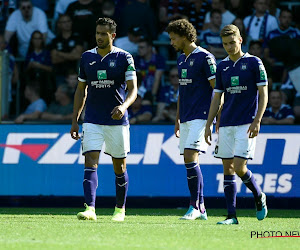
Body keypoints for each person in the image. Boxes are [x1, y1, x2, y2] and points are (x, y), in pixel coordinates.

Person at [70, 17, 137, 222]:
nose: (99, 37)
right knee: (90, 162)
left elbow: (133, 90)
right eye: (97, 33)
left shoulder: (125, 57)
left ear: (112, 35)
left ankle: (119, 209)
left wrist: (124, 107)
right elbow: (81, 90)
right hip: (92, 119)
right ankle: (90, 208)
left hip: (116, 120)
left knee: (120, 167)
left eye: (103, 34)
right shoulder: (86, 57)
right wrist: (75, 119)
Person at [204, 24, 268, 225]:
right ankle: (231, 216)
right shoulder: (222, 66)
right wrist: (209, 123)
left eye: (232, 42)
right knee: (227, 168)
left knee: (240, 167)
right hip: (226, 124)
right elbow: (217, 97)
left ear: (240, 40)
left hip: (246, 123)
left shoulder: (254, 63)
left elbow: (263, 93)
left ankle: (259, 195)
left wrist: (258, 120)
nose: (229, 47)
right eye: (225, 44)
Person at [166, 19, 216, 220]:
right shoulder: (181, 60)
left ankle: (194, 206)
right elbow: (182, 91)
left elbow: (218, 90)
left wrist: (214, 119)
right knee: (190, 161)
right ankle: (201, 207)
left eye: (174, 38)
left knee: (190, 157)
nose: (171, 42)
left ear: (185, 37)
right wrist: (178, 117)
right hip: (186, 117)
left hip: (201, 115)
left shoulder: (205, 57)